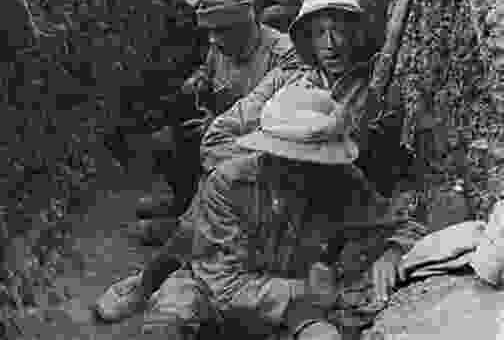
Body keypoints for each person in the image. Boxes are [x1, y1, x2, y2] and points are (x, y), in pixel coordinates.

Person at [96, 0, 411, 325]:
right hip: (251, 201)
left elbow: (400, 191)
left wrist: (335, 168)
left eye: (340, 30)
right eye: (320, 33)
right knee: (208, 222)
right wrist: (265, 160)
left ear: (357, 34)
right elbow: (219, 136)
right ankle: (151, 279)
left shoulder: (380, 91)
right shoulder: (284, 83)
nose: (331, 43)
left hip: (328, 220)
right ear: (307, 40)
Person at [140, 85, 425, 340]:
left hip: (293, 313)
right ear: (270, 153)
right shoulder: (227, 184)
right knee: (170, 315)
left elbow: (400, 224)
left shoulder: (342, 181)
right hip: (215, 299)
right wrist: (307, 290)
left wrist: (392, 251)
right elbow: (222, 283)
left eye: (315, 162)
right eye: (295, 161)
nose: (306, 171)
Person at [136, 0, 298, 226]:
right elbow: (210, 73)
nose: (212, 39)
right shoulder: (222, 46)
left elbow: (285, 125)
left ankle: (190, 227)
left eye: (220, 30)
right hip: (219, 133)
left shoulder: (283, 55)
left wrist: (219, 128)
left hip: (260, 149)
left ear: (245, 24)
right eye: (209, 31)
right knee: (165, 142)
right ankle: (183, 204)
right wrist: (198, 81)